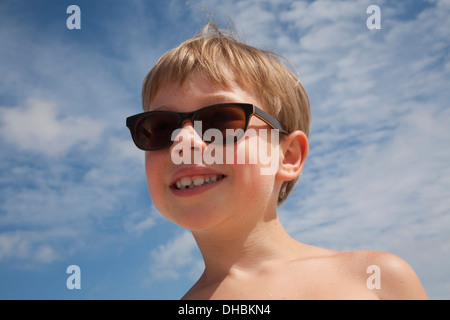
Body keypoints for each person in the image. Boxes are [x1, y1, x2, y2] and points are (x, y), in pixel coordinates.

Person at [126, 21, 427, 299]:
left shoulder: (375, 280)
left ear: (288, 155)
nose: (183, 140)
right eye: (160, 127)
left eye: (220, 119)